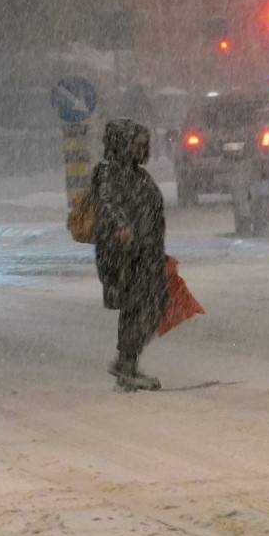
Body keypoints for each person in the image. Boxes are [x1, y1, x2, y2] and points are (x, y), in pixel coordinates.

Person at [92, 118, 170, 391]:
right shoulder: (108, 172)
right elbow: (107, 201)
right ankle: (126, 362)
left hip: (146, 254)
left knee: (150, 305)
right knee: (140, 305)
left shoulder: (137, 174)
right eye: (137, 145)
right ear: (121, 145)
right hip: (124, 255)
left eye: (145, 145)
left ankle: (127, 364)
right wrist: (122, 225)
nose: (142, 150)